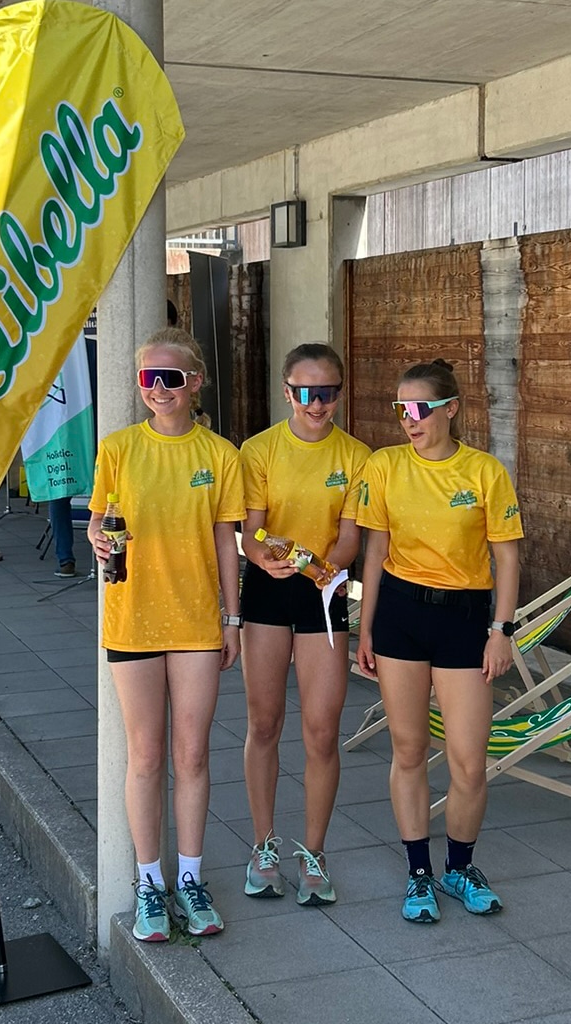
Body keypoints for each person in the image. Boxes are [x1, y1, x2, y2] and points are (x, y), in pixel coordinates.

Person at [87, 327, 244, 943]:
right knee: (146, 755)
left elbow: (225, 542)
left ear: (195, 382)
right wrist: (97, 538)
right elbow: (99, 520)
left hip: (197, 621)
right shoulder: (118, 448)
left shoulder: (220, 455)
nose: (158, 389)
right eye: (148, 378)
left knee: (193, 754)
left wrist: (232, 618)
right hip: (132, 619)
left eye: (170, 378)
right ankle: (149, 883)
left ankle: (191, 879)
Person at [354, 358, 523, 924]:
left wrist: (501, 631)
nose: (410, 419)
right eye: (400, 408)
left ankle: (460, 867)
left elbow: (506, 557)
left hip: (464, 619)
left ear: (451, 409)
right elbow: (375, 553)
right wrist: (366, 629)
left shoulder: (484, 471)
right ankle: (418, 872)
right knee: (408, 751)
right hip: (400, 615)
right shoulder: (384, 466)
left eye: (420, 408)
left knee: (469, 763)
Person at [238, 343, 369, 906]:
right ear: (287, 392)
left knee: (321, 730)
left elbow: (351, 535)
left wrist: (327, 568)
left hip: (324, 593)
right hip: (268, 591)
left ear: (340, 392)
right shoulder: (259, 450)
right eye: (307, 393)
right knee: (264, 723)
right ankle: (263, 846)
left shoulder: (357, 456)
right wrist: (262, 555)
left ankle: (314, 852)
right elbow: (251, 530)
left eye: (329, 392)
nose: (318, 404)